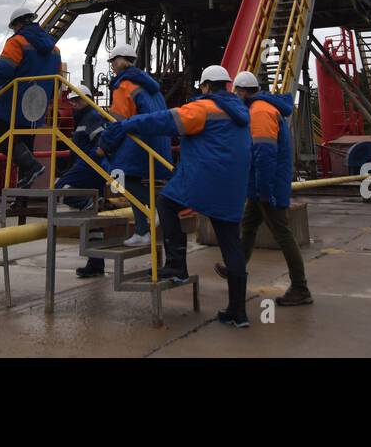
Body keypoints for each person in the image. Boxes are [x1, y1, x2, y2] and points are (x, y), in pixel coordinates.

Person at [100, 64, 252, 328]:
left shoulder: (203, 108)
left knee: (166, 202)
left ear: (205, 87)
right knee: (231, 244)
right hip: (234, 186)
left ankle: (176, 265)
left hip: (205, 180)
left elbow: (163, 121)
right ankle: (239, 313)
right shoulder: (242, 113)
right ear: (227, 85)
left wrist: (126, 125)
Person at [217, 71, 312, 306]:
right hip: (260, 185)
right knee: (248, 227)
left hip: (267, 187)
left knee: (282, 234)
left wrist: (264, 190)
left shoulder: (260, 112)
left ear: (241, 91)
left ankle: (300, 288)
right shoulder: (261, 108)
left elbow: (264, 155)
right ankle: (235, 269)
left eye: (236, 92)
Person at [0, 6, 63, 191]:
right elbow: (57, 81)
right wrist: (49, 102)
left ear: (18, 23)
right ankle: (22, 199)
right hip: (36, 107)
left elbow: (3, 69)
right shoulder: (55, 49)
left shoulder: (17, 42)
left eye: (13, 27)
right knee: (26, 147)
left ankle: (33, 167)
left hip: (12, 103)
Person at [104, 43, 171, 248]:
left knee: (118, 175)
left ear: (119, 61)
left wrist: (104, 144)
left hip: (139, 138)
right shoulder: (150, 85)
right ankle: (142, 232)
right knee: (130, 179)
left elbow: (117, 121)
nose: (112, 67)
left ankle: (154, 207)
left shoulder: (124, 85)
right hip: (159, 140)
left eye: (113, 62)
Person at [54, 88, 111, 278]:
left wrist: (92, 159)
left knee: (60, 189)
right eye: (73, 101)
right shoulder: (82, 118)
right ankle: (96, 263)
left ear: (88, 100)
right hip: (86, 167)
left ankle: (86, 202)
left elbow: (101, 143)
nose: (74, 104)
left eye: (78, 100)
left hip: (90, 167)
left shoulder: (92, 116)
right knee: (93, 222)